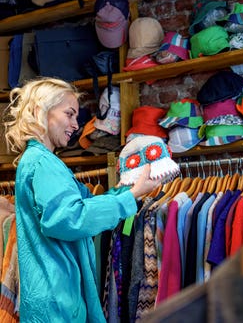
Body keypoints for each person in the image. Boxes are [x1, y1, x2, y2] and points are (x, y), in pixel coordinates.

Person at [3, 77, 161, 322]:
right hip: (57, 298)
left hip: (52, 293)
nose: (75, 124)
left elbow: (86, 203)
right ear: (40, 111)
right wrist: (130, 196)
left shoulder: (40, 161)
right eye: (69, 114)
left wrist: (125, 190)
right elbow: (69, 218)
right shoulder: (42, 163)